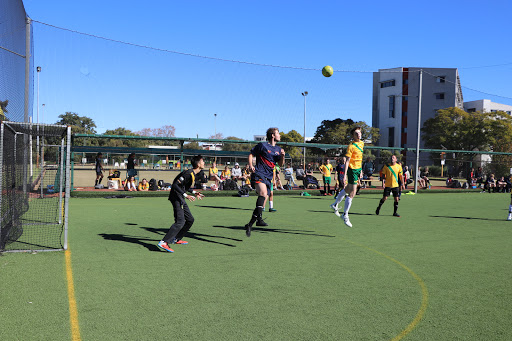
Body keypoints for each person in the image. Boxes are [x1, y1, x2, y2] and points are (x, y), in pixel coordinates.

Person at [157, 155, 206, 253]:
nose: (204, 163)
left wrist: (193, 193)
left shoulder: (193, 174)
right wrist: (185, 195)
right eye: (202, 161)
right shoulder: (188, 173)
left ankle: (176, 239)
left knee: (190, 220)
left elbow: (183, 187)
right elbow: (175, 185)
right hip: (176, 197)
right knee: (180, 221)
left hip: (181, 197)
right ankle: (164, 242)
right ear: (198, 164)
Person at [245, 127, 285, 237]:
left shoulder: (278, 149)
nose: (280, 135)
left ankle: (258, 220)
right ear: (272, 135)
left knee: (263, 201)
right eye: (278, 133)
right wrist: (251, 165)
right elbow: (251, 154)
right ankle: (250, 225)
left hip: (268, 177)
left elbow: (280, 164)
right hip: (259, 174)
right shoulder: (262, 146)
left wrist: (282, 156)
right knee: (263, 193)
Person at [330, 127, 364, 227]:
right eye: (356, 133)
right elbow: (347, 161)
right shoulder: (351, 146)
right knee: (352, 192)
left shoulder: (362, 144)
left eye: (359, 133)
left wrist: (360, 170)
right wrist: (344, 176)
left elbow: (360, 158)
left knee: (347, 189)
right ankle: (345, 216)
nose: (358, 135)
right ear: (353, 136)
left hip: (357, 169)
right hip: (352, 170)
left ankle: (335, 204)